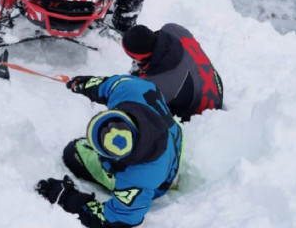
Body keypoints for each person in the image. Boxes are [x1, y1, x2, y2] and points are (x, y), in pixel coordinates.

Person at [36, 74, 183, 228]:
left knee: (72, 153)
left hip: (160, 180)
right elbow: (110, 85)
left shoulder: (137, 179)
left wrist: (67, 197)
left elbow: (116, 221)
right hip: (172, 141)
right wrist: (86, 85)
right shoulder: (134, 91)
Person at [121, 24, 223, 121]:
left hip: (208, 108)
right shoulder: (173, 29)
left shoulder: (159, 84)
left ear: (139, 57)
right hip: (212, 81)